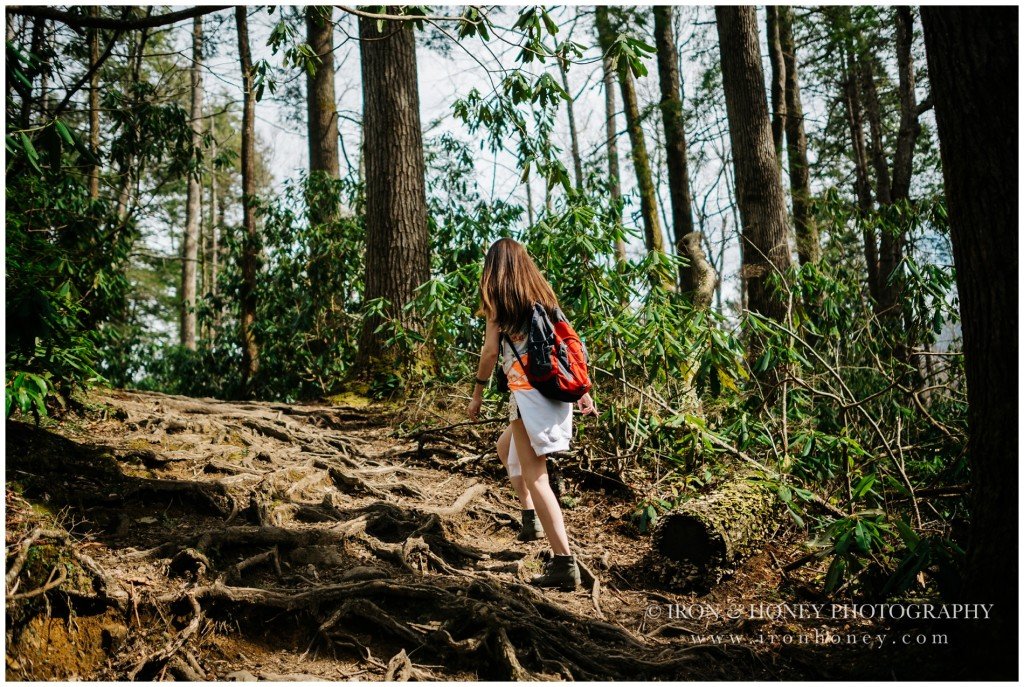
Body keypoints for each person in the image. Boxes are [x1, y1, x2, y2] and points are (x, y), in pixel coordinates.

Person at [466, 238, 597, 591]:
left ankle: (563, 563)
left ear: (496, 267)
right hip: (554, 393)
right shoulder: (545, 299)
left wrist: (476, 394)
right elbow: (571, 345)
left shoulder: (500, 305)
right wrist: (584, 392)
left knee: (537, 476)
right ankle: (530, 518)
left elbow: (490, 352)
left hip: (529, 398)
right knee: (504, 447)